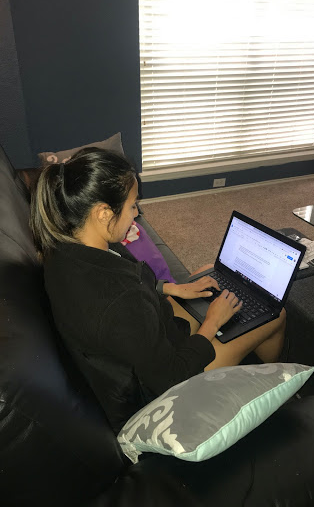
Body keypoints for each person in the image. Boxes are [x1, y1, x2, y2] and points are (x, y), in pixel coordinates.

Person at [30, 148, 286, 433]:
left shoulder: (66, 247)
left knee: (204, 272)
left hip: (144, 341)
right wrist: (212, 322)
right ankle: (271, 388)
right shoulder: (119, 301)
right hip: (162, 392)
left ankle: (235, 344)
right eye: (131, 206)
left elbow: (132, 290)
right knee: (276, 314)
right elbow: (171, 377)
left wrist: (174, 288)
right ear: (103, 213)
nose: (137, 213)